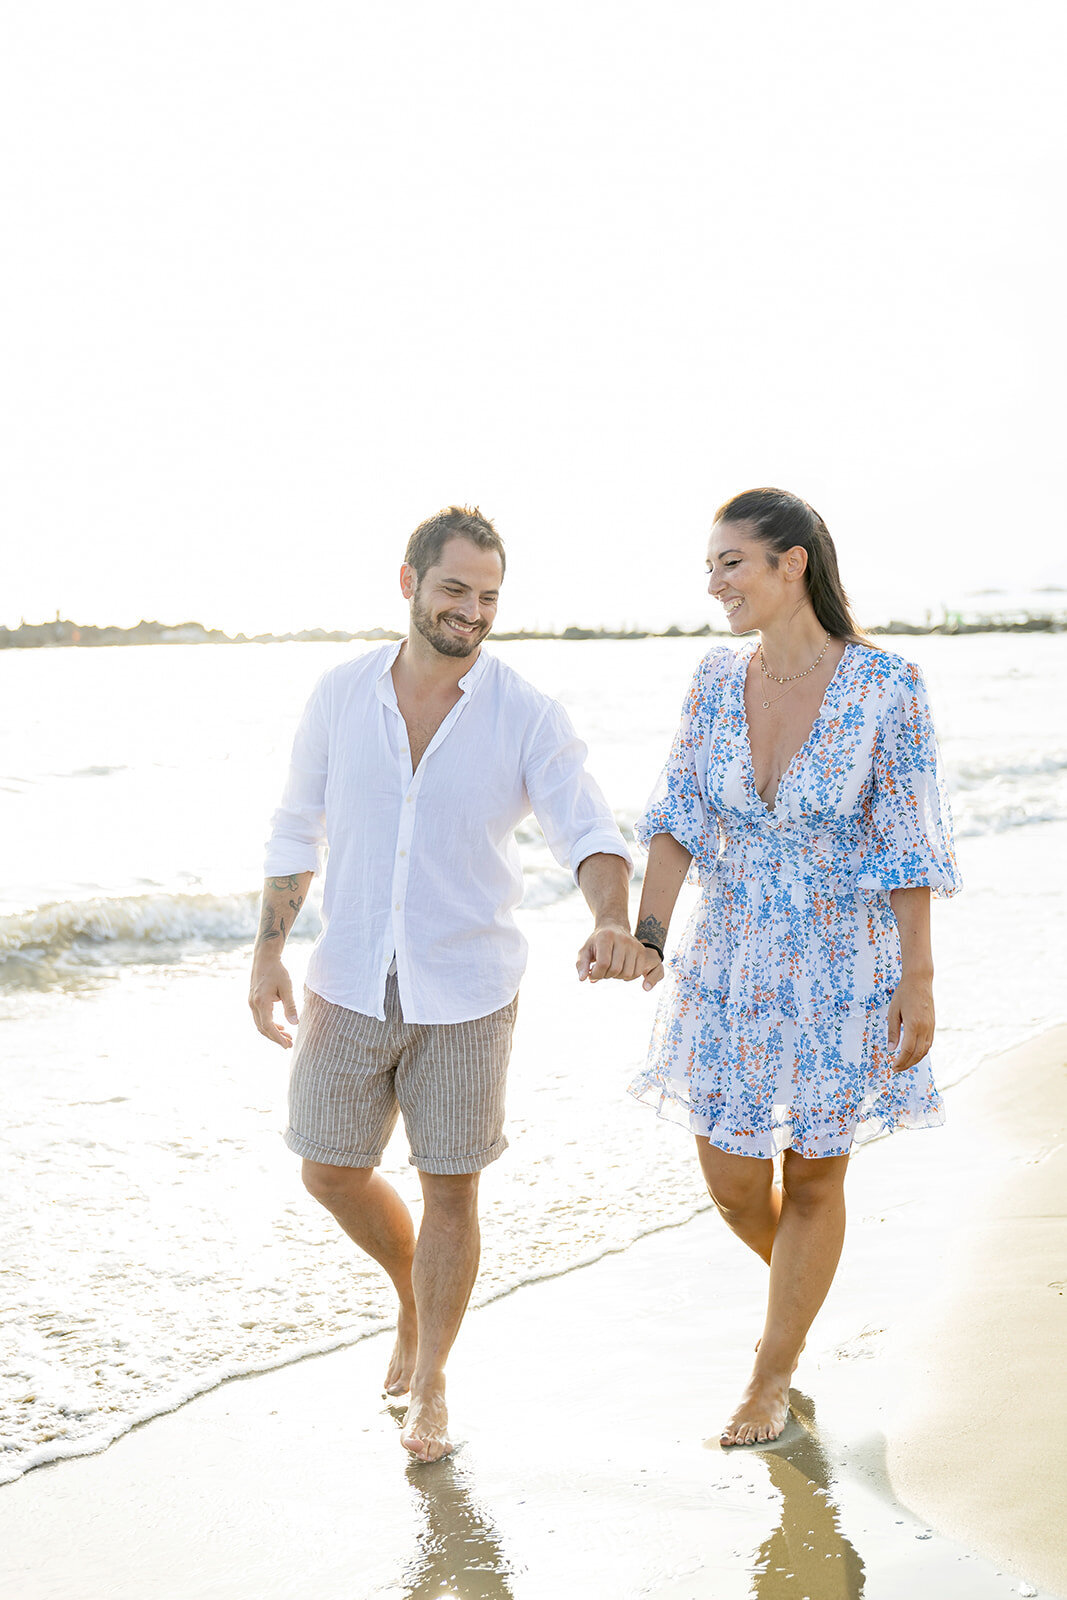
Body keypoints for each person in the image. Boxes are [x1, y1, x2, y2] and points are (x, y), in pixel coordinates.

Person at [249, 505, 649, 1463]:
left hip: (469, 991)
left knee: (452, 1194)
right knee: (327, 1168)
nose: (472, 611)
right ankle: (411, 1294)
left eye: (488, 597)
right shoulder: (340, 695)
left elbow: (588, 831)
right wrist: (266, 950)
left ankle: (431, 1379)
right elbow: (294, 828)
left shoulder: (526, 712)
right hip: (346, 976)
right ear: (408, 584)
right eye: (454, 590)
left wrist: (608, 917)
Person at [626, 487, 961, 1447]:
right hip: (726, 963)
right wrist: (647, 935)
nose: (714, 582)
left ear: (791, 564)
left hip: (840, 966)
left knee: (814, 1180)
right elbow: (677, 814)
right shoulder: (708, 680)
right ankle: (801, 1302)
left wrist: (919, 978)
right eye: (709, 565)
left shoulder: (885, 686)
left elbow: (907, 843)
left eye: (731, 561)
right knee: (732, 1180)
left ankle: (768, 1377)